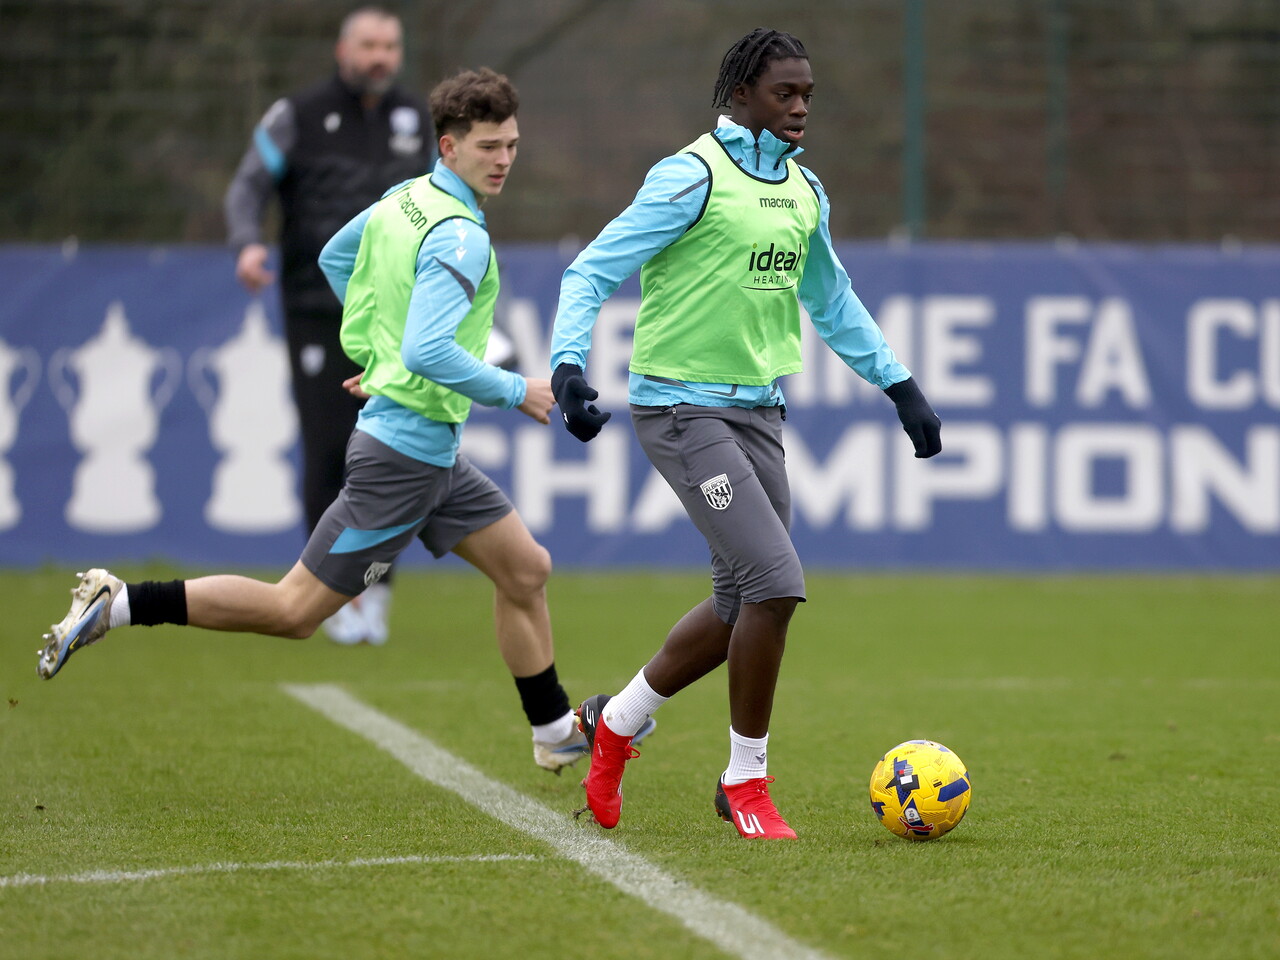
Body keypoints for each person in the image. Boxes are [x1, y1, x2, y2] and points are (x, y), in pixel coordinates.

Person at [38, 68, 655, 775]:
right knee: (293, 611)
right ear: (449, 146)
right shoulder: (461, 237)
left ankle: (552, 728)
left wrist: (377, 352)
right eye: (489, 146)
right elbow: (428, 348)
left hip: (431, 452)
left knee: (525, 568)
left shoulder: (406, 200)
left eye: (512, 143)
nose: (505, 159)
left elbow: (337, 257)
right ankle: (121, 602)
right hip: (403, 459)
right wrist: (518, 390)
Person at [550, 28, 942, 837]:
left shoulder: (804, 190)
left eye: (807, 96)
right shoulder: (690, 176)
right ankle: (745, 783)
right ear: (740, 95)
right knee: (776, 582)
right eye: (784, 94)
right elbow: (590, 269)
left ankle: (616, 722)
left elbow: (832, 302)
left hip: (760, 412)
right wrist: (566, 369)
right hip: (680, 411)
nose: (799, 109)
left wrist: (900, 386)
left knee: (740, 600)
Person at [224, 6, 432, 645]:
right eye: (369, 44)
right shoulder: (297, 115)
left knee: (392, 453)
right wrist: (246, 242)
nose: (380, 56)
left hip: (392, 316)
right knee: (329, 451)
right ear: (343, 49)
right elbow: (247, 187)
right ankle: (330, 597)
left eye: (390, 46)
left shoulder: (416, 118)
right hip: (318, 311)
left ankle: (374, 591)